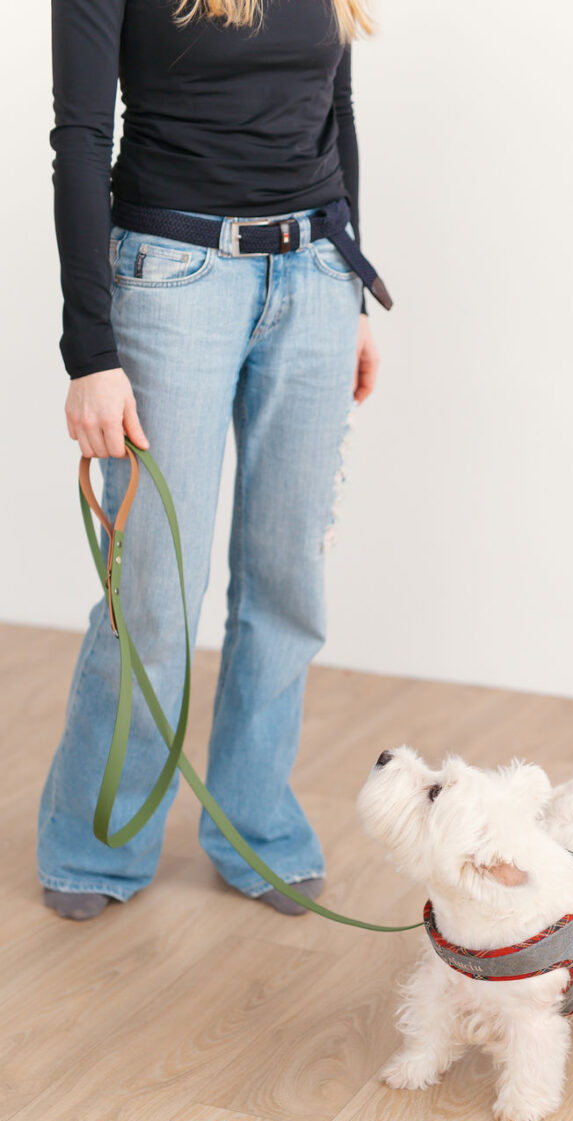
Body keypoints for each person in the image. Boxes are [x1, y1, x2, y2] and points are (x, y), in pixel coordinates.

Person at [38, 0, 389, 920]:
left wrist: (351, 291)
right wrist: (92, 355)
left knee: (285, 584)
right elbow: (79, 139)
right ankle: (95, 841)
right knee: (154, 590)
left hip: (314, 273)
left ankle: (257, 825)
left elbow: (335, 109)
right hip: (172, 280)